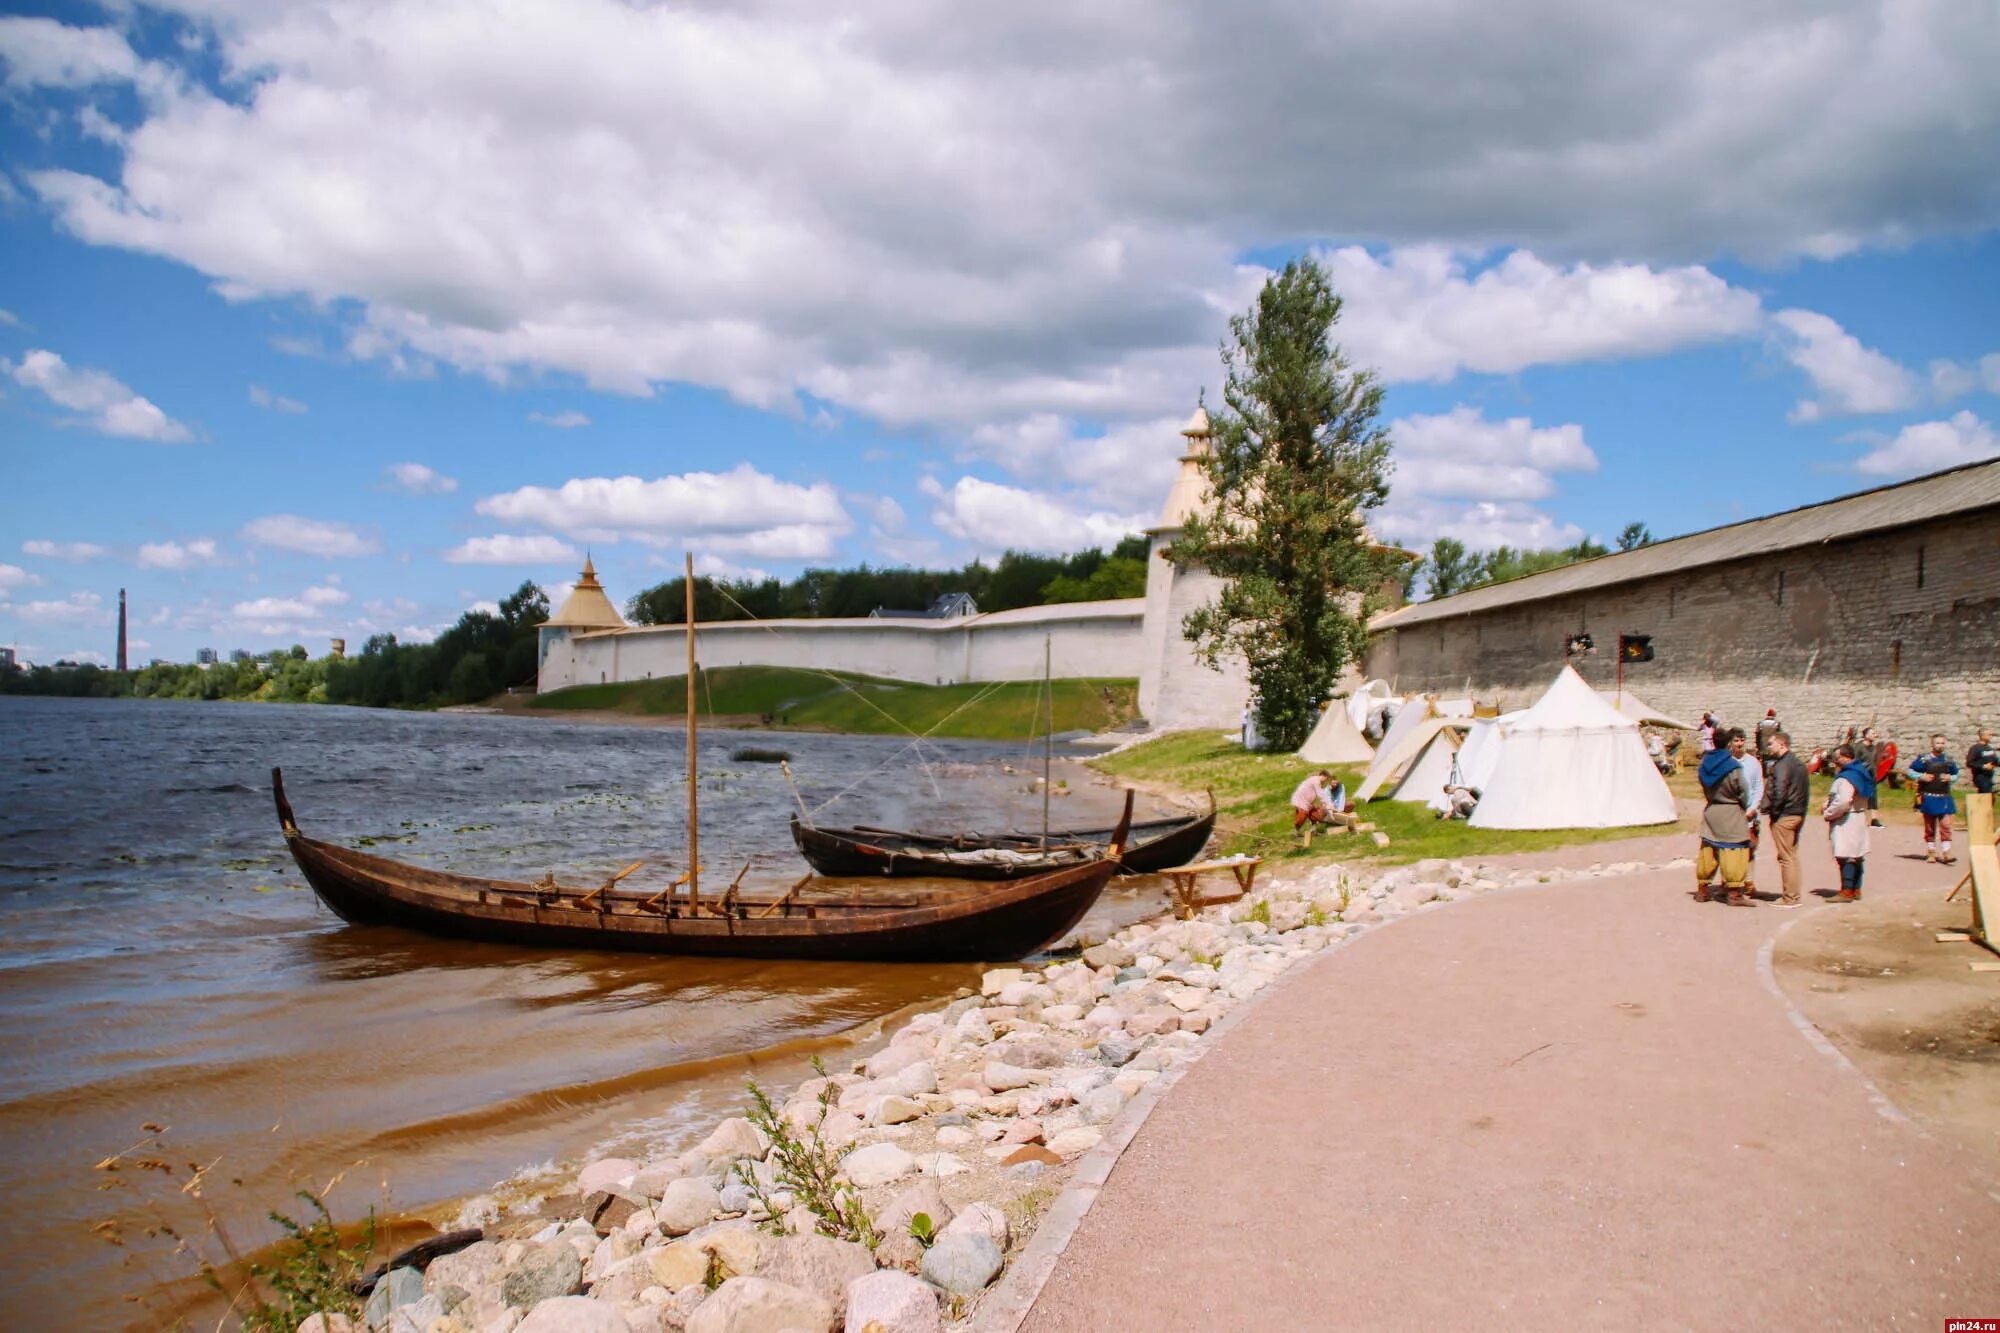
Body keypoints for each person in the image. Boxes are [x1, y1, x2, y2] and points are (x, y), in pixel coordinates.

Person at [1695, 728, 1753, 906]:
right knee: (1734, 850)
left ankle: (1703, 890)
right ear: (1728, 743)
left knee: (1709, 849)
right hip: (1731, 811)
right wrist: (1742, 805)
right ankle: (1734, 894)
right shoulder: (1733, 767)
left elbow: (1705, 788)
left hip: (1712, 809)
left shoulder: (1704, 764)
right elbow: (1743, 791)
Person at [1762, 730, 1809, 907]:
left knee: (1786, 857)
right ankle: (1793, 894)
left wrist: (1773, 810)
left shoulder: (1782, 766)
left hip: (1785, 815)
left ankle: (1790, 897)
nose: (1769, 747)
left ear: (1782, 744)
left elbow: (1779, 791)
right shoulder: (1798, 764)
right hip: (1798, 812)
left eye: (1771, 743)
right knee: (1792, 855)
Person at [1824, 743, 1874, 901]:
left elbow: (1844, 800)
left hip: (1847, 818)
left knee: (1846, 855)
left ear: (1846, 758)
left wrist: (1829, 813)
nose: (1836, 761)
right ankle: (1856, 888)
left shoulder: (1848, 777)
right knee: (1856, 854)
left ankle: (1847, 890)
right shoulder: (1860, 772)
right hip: (1857, 815)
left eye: (1838, 758)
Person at [1908, 734, 1960, 864]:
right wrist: (1921, 776)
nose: (1940, 746)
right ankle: (1931, 852)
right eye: (1938, 743)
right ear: (1932, 744)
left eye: (1942, 743)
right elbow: (1910, 770)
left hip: (1944, 797)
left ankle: (1946, 852)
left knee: (1946, 825)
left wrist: (1950, 778)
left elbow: (1955, 774)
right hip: (1929, 797)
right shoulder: (1924, 759)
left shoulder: (1948, 760)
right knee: (1930, 827)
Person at [1736, 733, 1764, 897]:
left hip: (1750, 813)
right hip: (1733, 813)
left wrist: (1753, 809)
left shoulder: (1753, 763)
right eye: (1736, 740)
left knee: (1749, 849)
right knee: (1731, 850)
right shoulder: (1728, 763)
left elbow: (1758, 788)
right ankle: (1731, 881)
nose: (1739, 743)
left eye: (1742, 740)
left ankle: (1749, 881)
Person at [1290, 769, 1342, 847]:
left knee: (1315, 815)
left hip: (1308, 803)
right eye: (1327, 778)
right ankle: (1295, 832)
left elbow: (1320, 794)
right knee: (1302, 816)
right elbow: (1321, 794)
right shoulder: (1315, 781)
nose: (1326, 781)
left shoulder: (1317, 781)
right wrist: (1330, 805)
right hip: (1301, 801)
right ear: (1323, 776)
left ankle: (1313, 831)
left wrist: (1329, 805)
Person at [1856, 727, 1884, 825]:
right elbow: (1855, 761)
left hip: (1872, 775)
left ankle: (1874, 819)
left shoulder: (1874, 748)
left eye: (1874, 733)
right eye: (1872, 733)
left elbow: (1875, 761)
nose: (1874, 735)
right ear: (1866, 735)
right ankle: (1861, 818)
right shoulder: (1859, 747)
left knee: (1873, 796)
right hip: (1861, 775)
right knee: (1862, 796)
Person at [1968, 727, 1997, 797]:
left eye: (1991, 734)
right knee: (1987, 797)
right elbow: (1969, 763)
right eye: (1989, 735)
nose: (1991, 736)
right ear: (1982, 736)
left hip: (1989, 777)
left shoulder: (1989, 748)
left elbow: (1995, 760)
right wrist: (1983, 766)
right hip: (1980, 777)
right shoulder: (1975, 748)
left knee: (1989, 798)